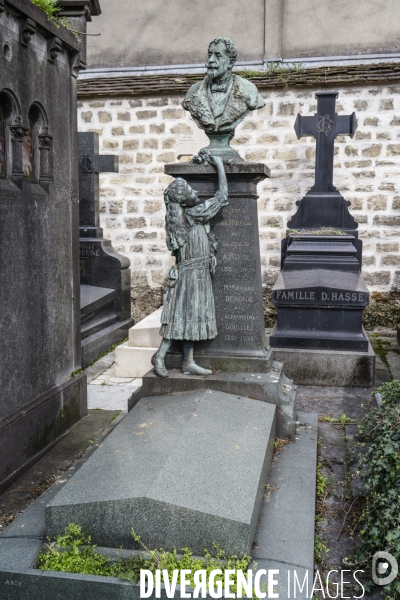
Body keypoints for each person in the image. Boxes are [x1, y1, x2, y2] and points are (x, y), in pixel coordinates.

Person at [152, 155, 228, 377]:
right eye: (192, 192)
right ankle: (159, 356)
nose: (196, 193)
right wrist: (219, 165)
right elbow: (222, 196)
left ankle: (188, 362)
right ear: (185, 200)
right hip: (191, 275)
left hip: (196, 273)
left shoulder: (179, 220)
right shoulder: (193, 215)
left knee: (190, 319)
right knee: (180, 318)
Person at [182, 37, 265, 135]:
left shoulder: (248, 90)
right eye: (210, 55)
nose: (211, 60)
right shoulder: (194, 91)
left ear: (231, 62)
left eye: (217, 55)